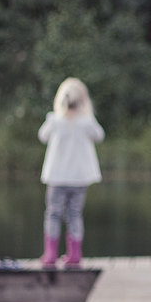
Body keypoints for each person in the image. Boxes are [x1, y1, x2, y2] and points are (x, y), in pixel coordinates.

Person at [37, 77, 104, 268]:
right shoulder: (87, 122)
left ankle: (50, 254)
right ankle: (74, 254)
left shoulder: (55, 120)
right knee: (74, 214)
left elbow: (42, 136)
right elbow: (99, 136)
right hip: (79, 178)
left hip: (57, 177)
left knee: (53, 214)